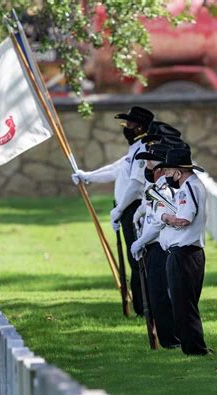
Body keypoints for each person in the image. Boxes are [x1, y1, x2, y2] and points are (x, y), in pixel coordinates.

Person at [71, 106, 154, 316]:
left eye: (130, 124)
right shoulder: (134, 149)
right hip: (126, 209)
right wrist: (87, 176)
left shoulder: (144, 149)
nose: (126, 127)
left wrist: (119, 209)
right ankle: (142, 306)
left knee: (139, 260)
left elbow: (135, 185)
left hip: (135, 210)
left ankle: (146, 308)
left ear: (141, 128)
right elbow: (115, 169)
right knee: (133, 257)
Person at [152, 148, 209, 356]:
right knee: (185, 303)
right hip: (188, 253)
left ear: (178, 171)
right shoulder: (191, 186)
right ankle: (192, 346)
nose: (166, 175)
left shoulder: (187, 188)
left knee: (183, 304)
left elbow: (183, 219)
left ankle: (195, 349)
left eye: (168, 171)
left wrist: (164, 216)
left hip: (184, 253)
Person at [130, 143, 180, 348]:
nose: (147, 169)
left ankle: (171, 340)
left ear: (159, 169)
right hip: (152, 247)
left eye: (150, 164)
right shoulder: (154, 189)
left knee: (162, 296)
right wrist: (139, 213)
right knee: (155, 295)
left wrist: (140, 241)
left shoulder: (165, 191)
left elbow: (159, 222)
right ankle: (166, 337)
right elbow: (149, 211)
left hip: (160, 247)